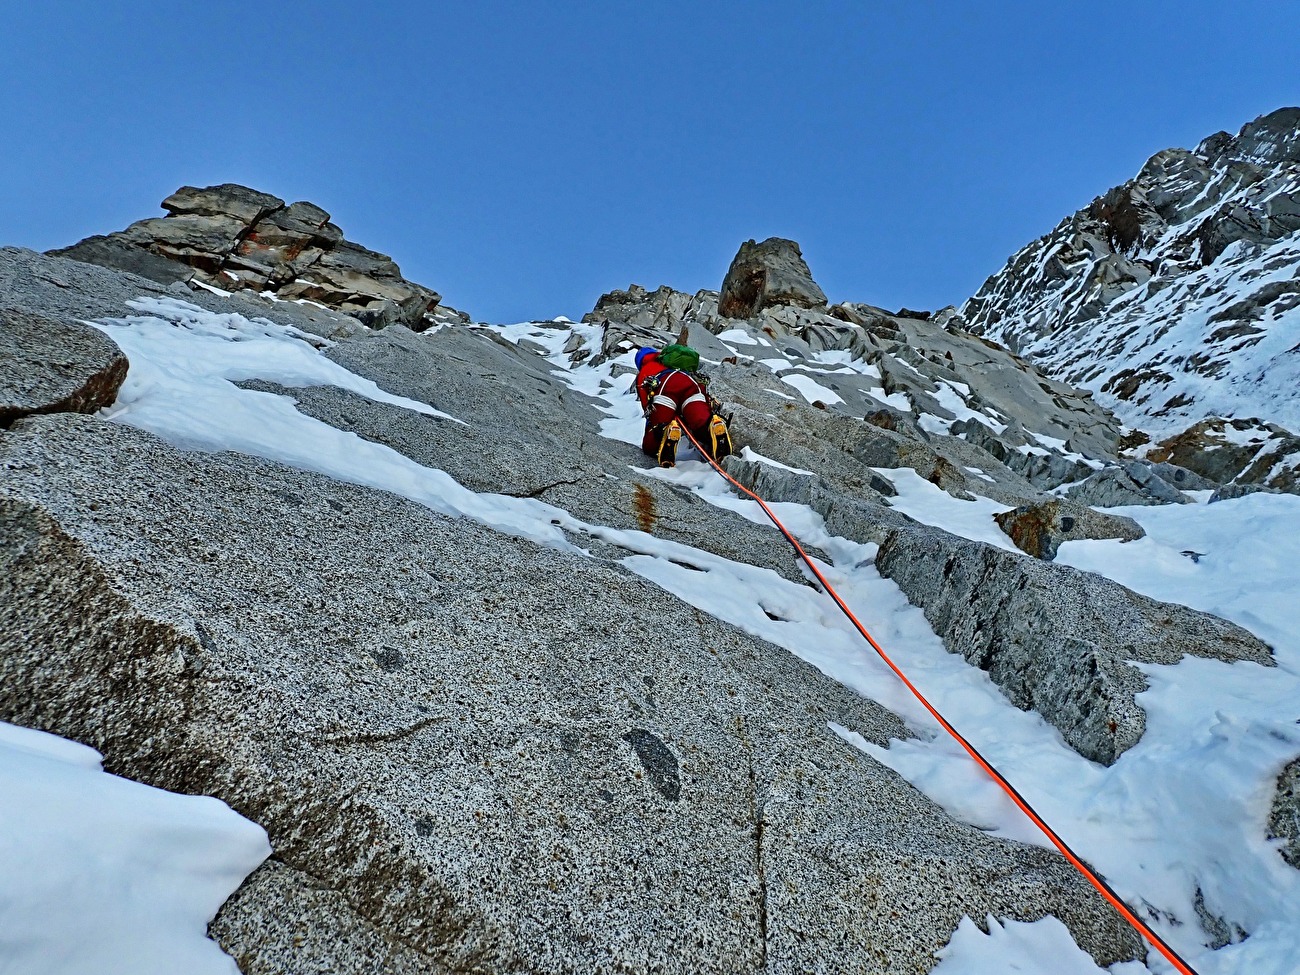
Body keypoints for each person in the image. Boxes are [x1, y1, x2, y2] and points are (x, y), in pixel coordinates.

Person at [634, 346, 732, 467]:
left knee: (654, 434)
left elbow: (648, 407)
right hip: (691, 384)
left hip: (666, 386)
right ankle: (713, 425)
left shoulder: (645, 370)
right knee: (700, 422)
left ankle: (667, 431)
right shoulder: (669, 362)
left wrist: (659, 419)